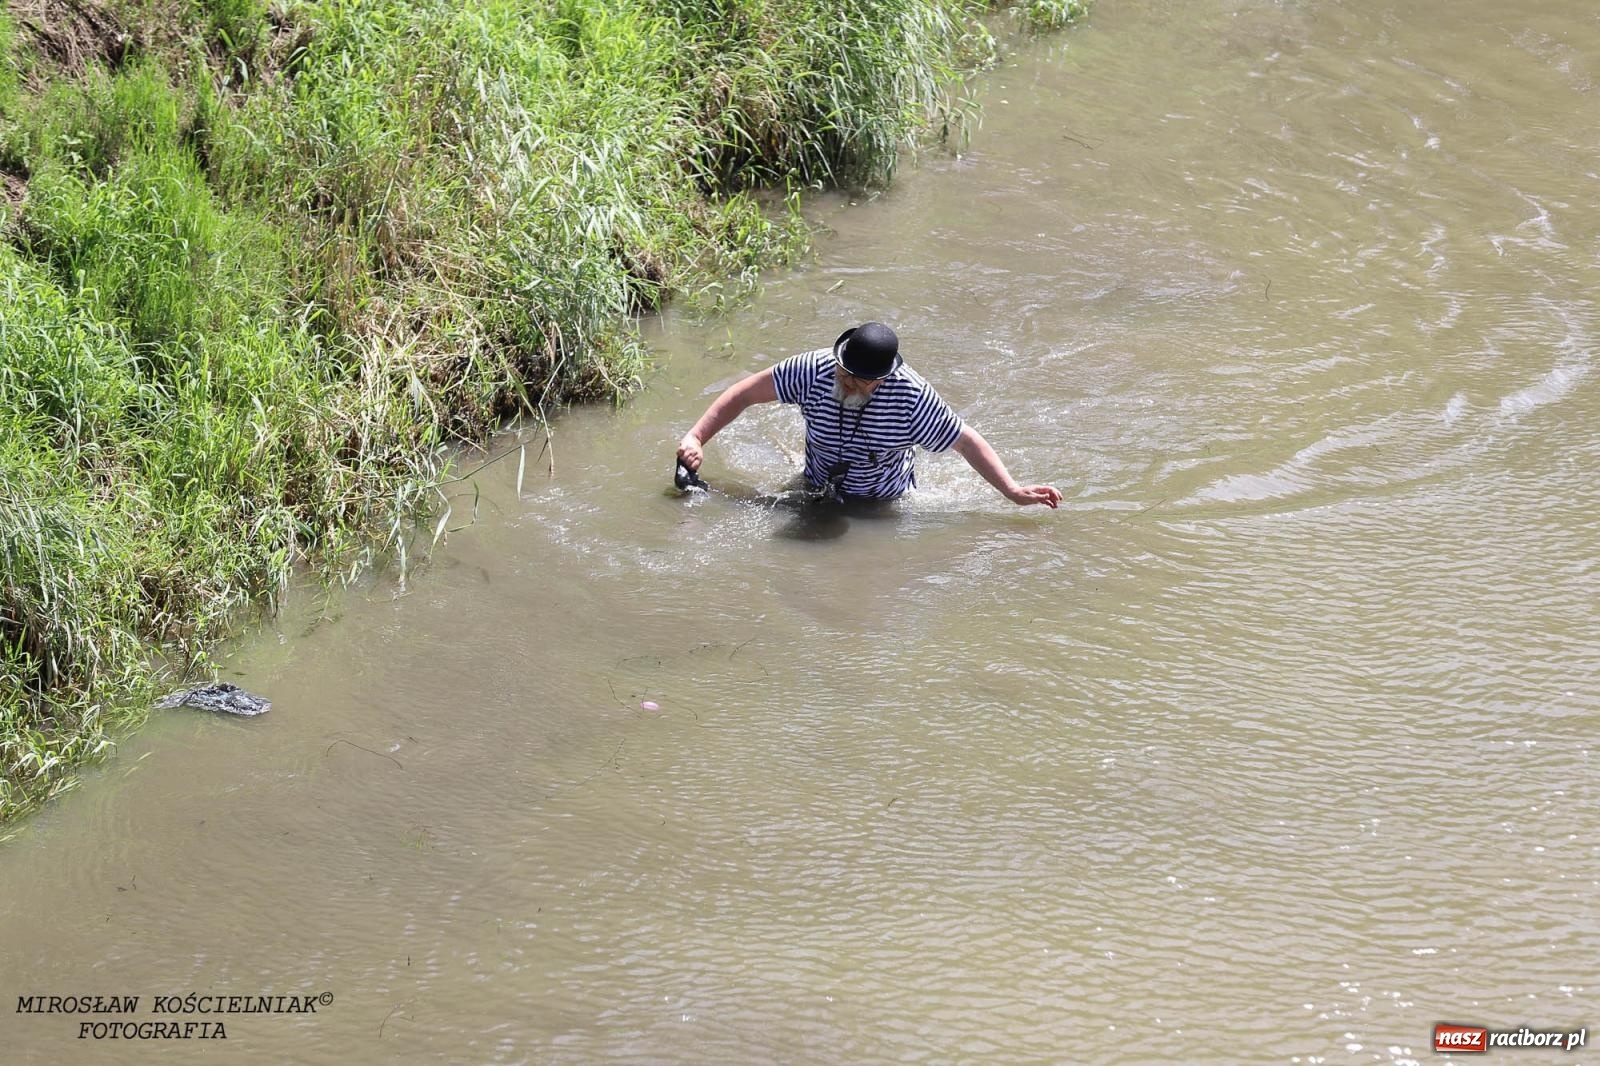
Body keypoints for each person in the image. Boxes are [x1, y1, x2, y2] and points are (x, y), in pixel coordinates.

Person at [676, 322, 1062, 507]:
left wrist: (1011, 490)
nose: (848, 383)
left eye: (861, 381)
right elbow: (744, 394)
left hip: (882, 502)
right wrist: (696, 437)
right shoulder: (814, 369)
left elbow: (965, 440)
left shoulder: (911, 398)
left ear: (883, 380)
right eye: (845, 373)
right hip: (816, 483)